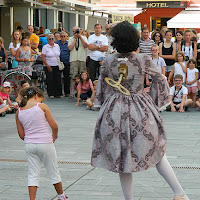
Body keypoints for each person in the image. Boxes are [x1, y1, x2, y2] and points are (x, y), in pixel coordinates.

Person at [91, 21, 190, 200]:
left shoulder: (108, 60)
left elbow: (102, 86)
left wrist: (105, 101)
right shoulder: (143, 59)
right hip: (140, 109)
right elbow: (159, 78)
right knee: (157, 152)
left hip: (114, 110)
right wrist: (152, 99)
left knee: (123, 159)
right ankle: (179, 193)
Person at [15, 86, 68, 200]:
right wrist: (54, 136)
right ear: (36, 96)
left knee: (33, 174)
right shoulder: (42, 107)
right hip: (45, 143)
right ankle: (61, 196)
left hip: (29, 144)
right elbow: (54, 126)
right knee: (53, 170)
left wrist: (30, 139)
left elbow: (21, 134)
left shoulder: (19, 111)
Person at [42, 34, 63, 98]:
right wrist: (47, 65)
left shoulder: (57, 46)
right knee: (50, 79)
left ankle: (58, 93)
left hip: (57, 65)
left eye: (52, 38)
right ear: (47, 40)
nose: (51, 40)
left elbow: (59, 54)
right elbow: (43, 57)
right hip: (49, 65)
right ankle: (51, 93)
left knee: (58, 79)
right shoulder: (45, 47)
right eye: (49, 39)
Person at [68, 26, 88, 97]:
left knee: (83, 76)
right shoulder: (70, 38)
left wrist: (80, 37)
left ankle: (82, 91)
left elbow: (86, 46)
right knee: (73, 76)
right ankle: (72, 93)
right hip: (73, 59)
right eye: (74, 31)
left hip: (81, 58)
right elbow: (70, 48)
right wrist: (75, 39)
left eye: (76, 31)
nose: (75, 33)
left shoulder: (84, 38)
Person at [56, 31, 70, 96]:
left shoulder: (69, 43)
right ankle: (59, 93)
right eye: (61, 36)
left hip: (67, 62)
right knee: (58, 78)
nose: (63, 37)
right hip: (58, 62)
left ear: (67, 37)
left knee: (66, 77)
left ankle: (67, 92)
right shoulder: (56, 43)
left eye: (64, 36)